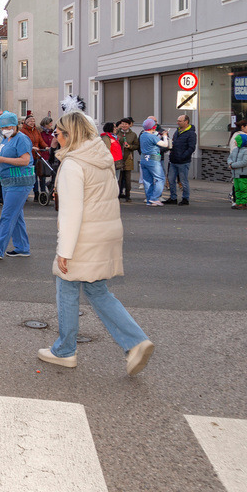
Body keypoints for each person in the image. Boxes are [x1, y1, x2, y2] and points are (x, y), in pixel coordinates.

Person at [37, 110, 155, 375]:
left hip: (84, 236)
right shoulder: (101, 156)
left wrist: (64, 251)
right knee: (97, 290)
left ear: (70, 134)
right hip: (106, 231)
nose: (55, 137)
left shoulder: (73, 164)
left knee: (67, 288)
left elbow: (71, 213)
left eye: (58, 132)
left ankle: (65, 351)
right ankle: (136, 341)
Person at [0, 111, 34, 259]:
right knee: (16, 216)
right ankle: (22, 248)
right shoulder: (6, 139)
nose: (5, 129)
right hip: (8, 182)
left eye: (8, 127)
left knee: (7, 215)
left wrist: (2, 160)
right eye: (3, 127)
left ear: (15, 125)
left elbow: (25, 160)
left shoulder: (22, 139)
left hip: (19, 182)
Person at [138, 118, 168, 207]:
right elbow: (165, 144)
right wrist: (165, 136)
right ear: (153, 127)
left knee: (147, 181)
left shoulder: (142, 135)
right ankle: (155, 198)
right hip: (153, 160)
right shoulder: (152, 137)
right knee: (160, 178)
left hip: (144, 159)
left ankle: (149, 200)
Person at [167, 114, 196, 205]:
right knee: (171, 179)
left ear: (186, 122)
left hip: (183, 161)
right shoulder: (177, 131)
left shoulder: (191, 133)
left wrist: (183, 156)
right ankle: (173, 198)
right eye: (177, 121)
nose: (177, 123)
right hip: (173, 160)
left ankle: (185, 198)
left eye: (180, 121)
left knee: (183, 181)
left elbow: (191, 148)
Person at [21, 114, 45, 203]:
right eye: (31, 121)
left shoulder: (36, 131)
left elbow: (40, 141)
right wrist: (31, 148)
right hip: (29, 156)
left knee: (40, 174)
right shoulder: (23, 131)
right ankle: (35, 192)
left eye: (34, 121)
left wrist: (46, 146)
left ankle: (42, 192)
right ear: (26, 122)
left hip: (37, 155)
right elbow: (23, 143)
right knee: (32, 176)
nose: (32, 122)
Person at [228, 132, 247, 210]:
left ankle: (243, 203)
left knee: (243, 189)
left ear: (241, 141)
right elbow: (229, 158)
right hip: (235, 173)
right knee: (237, 189)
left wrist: (232, 165)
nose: (235, 142)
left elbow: (245, 162)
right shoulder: (235, 150)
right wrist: (230, 163)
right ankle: (238, 202)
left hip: (243, 173)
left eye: (236, 141)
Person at [115, 118, 138, 202]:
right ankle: (117, 195)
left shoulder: (133, 135)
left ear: (129, 125)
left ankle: (128, 195)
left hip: (128, 158)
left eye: (126, 124)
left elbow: (136, 146)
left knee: (127, 179)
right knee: (118, 178)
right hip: (118, 158)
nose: (124, 126)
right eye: (122, 124)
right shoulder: (117, 133)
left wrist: (129, 146)